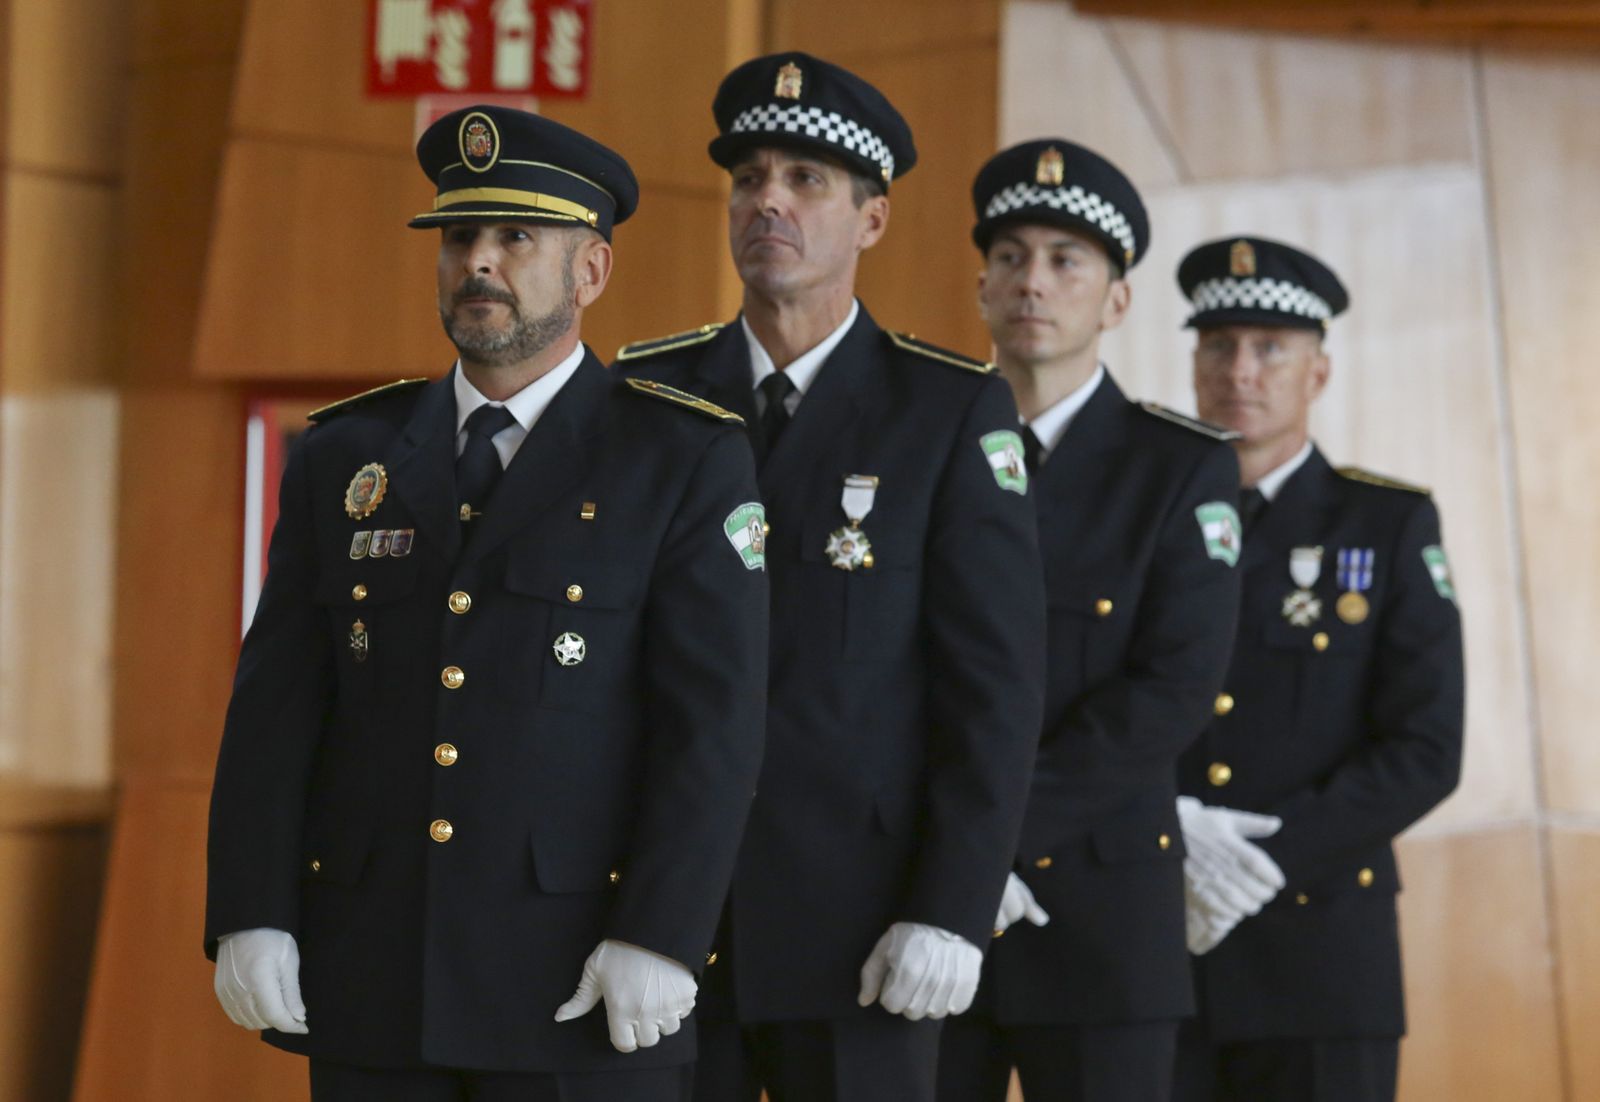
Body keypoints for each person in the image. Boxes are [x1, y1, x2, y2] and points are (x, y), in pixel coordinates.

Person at [204, 105, 770, 1102]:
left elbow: (712, 727)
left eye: (517, 237)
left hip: (579, 985)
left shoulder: (679, 457)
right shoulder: (351, 454)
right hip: (374, 979)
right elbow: (278, 704)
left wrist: (661, 932)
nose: (480, 261)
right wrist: (252, 905)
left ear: (590, 271)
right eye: (461, 236)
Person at [614, 52, 1046, 1102]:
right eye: (750, 177)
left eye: (805, 179)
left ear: (873, 219)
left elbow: (992, 687)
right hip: (659, 922)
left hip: (860, 924)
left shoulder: (945, 412)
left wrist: (953, 901)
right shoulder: (645, 395)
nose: (768, 200)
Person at [934, 139, 1243, 1102]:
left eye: (1068, 260)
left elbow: (1172, 689)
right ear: (981, 284)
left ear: (1115, 300)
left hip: (1100, 912)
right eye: (1013, 255)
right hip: (925, 912)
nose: (1035, 281)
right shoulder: (919, 445)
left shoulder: (1177, 465)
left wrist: (988, 840)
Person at [1171, 236, 1465, 1102]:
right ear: (1194, 363)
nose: (1241, 370)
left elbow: (1425, 747)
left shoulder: (1386, 524)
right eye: (1220, 345)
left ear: (1319, 371)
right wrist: (1167, 826)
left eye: (1270, 348)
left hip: (1322, 960)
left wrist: (1269, 858)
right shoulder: (1149, 515)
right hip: (1154, 953)